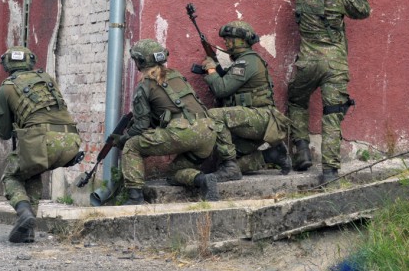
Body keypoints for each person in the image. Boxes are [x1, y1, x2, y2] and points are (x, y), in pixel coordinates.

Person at [288, 0, 371, 184]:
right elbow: (363, 10)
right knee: (332, 114)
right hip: (334, 63)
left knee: (296, 100)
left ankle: (302, 149)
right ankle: (330, 172)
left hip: (308, 61)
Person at [114, 39, 222, 205]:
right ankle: (204, 180)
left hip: (183, 133)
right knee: (174, 174)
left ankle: (135, 198)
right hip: (208, 133)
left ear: (140, 62)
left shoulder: (145, 86)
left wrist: (122, 139)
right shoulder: (176, 75)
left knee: (132, 146)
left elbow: (141, 126)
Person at [0, 46, 83, 243]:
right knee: (30, 172)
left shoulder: (5, 89)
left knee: (11, 176)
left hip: (41, 142)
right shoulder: (47, 80)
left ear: (7, 64)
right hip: (71, 141)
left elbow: (4, 132)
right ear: (31, 62)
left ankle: (24, 212)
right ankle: (26, 230)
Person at [198, 21, 292, 175]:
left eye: (231, 38)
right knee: (221, 161)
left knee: (214, 115)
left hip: (260, 118)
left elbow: (221, 89)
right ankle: (272, 156)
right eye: (226, 38)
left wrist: (211, 70)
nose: (226, 42)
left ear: (243, 40)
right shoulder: (242, 62)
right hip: (248, 121)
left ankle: (230, 167)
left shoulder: (247, 61)